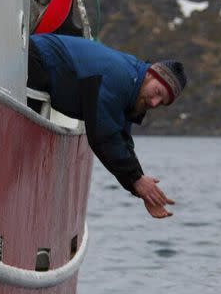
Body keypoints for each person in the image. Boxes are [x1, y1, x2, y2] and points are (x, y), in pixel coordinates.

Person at [28, 33, 188, 219]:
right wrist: (137, 180)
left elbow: (121, 140)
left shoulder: (133, 86)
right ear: (150, 74)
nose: (154, 102)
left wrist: (141, 186)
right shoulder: (119, 77)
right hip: (36, 58)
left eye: (161, 102)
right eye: (157, 92)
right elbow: (103, 135)